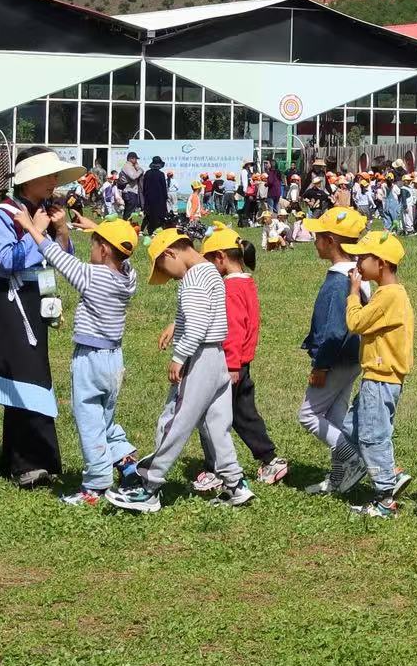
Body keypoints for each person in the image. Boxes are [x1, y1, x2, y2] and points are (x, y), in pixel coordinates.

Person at [0, 147, 86, 488]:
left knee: (32, 375)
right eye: (49, 176)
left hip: (34, 300)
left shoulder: (44, 212)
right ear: (29, 180)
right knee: (25, 376)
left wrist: (61, 233)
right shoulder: (3, 214)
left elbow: (59, 259)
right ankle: (29, 463)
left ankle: (25, 459)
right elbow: (8, 260)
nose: (55, 183)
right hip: (7, 302)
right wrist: (36, 232)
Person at [109, 227, 252, 512]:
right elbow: (197, 315)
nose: (170, 275)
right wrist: (178, 327)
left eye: (163, 267)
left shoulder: (194, 278)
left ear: (170, 253)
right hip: (218, 359)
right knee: (217, 425)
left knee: (174, 421)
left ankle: (148, 486)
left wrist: (179, 357)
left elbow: (197, 324)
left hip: (199, 359)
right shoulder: (211, 272)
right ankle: (235, 484)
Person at [14, 209, 141, 507]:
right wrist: (96, 228)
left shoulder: (91, 276)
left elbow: (56, 258)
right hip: (114, 359)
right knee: (105, 416)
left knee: (89, 420)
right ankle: (126, 461)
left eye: (95, 244)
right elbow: (125, 254)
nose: (91, 250)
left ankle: (96, 485)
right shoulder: (127, 277)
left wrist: (33, 228)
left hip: (90, 360)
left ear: (104, 249)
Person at [179, 225, 287, 492]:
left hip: (229, 364)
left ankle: (215, 469)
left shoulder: (229, 289)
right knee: (243, 414)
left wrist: (232, 365)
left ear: (220, 259)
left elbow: (235, 328)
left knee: (209, 416)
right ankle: (270, 460)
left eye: (208, 261)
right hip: (241, 362)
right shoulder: (245, 282)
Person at [329, 229, 416, 520]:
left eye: (362, 257)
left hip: (380, 377)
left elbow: (355, 322)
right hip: (379, 377)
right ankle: (388, 472)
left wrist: (353, 293)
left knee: (372, 436)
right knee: (352, 429)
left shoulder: (388, 296)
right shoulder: (390, 294)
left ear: (380, 263)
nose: (357, 263)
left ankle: (384, 498)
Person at [297, 205, 370, 496]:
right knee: (337, 419)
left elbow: (334, 330)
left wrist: (321, 365)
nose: (314, 241)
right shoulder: (357, 275)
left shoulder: (337, 282)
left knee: (310, 416)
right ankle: (339, 477)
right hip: (353, 357)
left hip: (336, 360)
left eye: (317, 236)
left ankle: (354, 460)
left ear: (330, 241)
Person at [140, 155, 169, 233]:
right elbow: (164, 188)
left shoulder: (147, 173)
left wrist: (145, 195)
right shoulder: (161, 174)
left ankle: (143, 230)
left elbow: (144, 186)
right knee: (158, 214)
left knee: (149, 214)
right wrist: (165, 197)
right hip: (159, 198)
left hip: (149, 197)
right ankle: (155, 230)